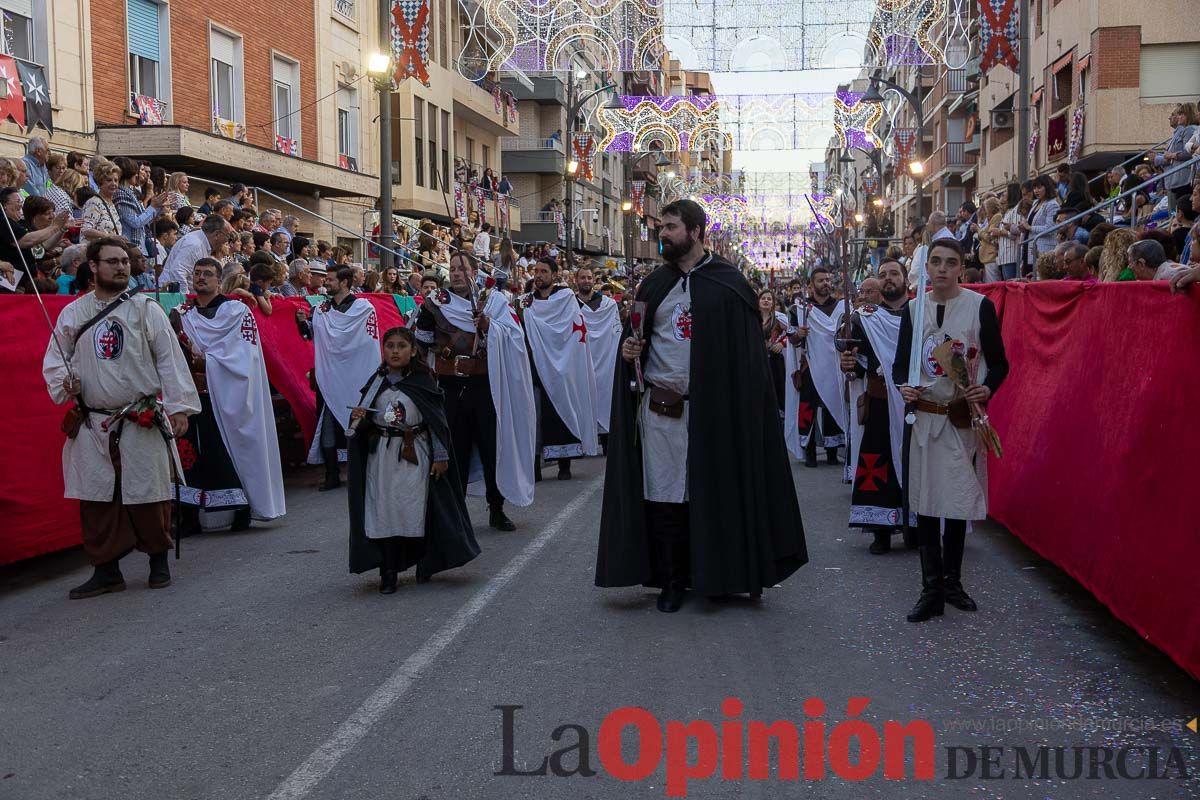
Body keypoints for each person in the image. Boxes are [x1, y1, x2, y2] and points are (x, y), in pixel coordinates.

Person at [596, 199, 808, 612]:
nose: (663, 234)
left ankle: (720, 575)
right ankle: (672, 580)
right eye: (662, 227)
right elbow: (634, 343)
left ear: (695, 231)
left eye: (671, 227)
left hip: (717, 412)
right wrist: (629, 352)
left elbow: (747, 361)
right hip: (662, 409)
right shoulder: (653, 286)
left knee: (715, 493)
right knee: (666, 495)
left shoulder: (729, 284)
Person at [42, 237, 201, 599]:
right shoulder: (74, 313)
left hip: (139, 415)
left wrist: (178, 407)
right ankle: (106, 570)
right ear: (93, 267)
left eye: (125, 262)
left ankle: (157, 562)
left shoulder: (146, 309)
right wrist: (64, 382)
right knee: (96, 498)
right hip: (93, 419)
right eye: (112, 262)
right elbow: (56, 358)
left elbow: (169, 358)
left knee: (149, 493)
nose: (121, 267)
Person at [894, 238, 1009, 623]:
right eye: (936, 262)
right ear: (927, 269)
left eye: (950, 262)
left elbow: (1000, 364)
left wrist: (987, 387)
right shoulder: (914, 309)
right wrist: (904, 387)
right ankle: (931, 589)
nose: (941, 269)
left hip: (960, 418)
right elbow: (900, 366)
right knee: (926, 502)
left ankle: (953, 581)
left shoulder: (980, 307)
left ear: (962, 267)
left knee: (957, 502)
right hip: (925, 417)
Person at [347, 327, 481, 593]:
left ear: (412, 351)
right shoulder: (375, 383)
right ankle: (388, 571)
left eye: (401, 346)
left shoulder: (423, 382)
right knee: (383, 510)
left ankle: (424, 561)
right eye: (390, 346)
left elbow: (437, 423)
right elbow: (359, 428)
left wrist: (441, 457)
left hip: (416, 455)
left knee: (414, 509)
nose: (395, 351)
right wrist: (358, 420)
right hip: (382, 458)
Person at [413, 250, 534, 530]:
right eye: (452, 268)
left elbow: (515, 336)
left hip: (485, 386)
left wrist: (489, 325)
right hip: (451, 387)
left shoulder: (494, 302)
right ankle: (456, 513)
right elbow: (421, 343)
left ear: (474, 271)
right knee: (457, 451)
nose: (456, 273)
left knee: (492, 447)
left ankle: (496, 507)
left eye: (462, 268)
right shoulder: (435, 303)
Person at [169, 258, 286, 535]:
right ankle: (190, 517)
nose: (201, 278)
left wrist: (206, 363)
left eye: (208, 274)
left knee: (227, 452)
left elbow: (245, 355)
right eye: (197, 273)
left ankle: (241, 510)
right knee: (190, 457)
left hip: (229, 392)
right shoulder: (182, 314)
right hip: (192, 395)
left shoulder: (236, 312)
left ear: (219, 280)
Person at [840, 260, 913, 554]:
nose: (888, 279)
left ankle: (916, 527)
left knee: (913, 466)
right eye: (882, 275)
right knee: (878, 464)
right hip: (881, 400)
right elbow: (849, 344)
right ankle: (880, 531)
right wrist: (846, 354)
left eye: (894, 273)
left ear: (905, 278)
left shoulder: (921, 314)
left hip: (913, 403)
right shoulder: (866, 318)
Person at [295, 266, 381, 491]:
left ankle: (363, 469)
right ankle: (331, 474)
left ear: (344, 282)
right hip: (330, 376)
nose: (326, 283)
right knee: (327, 425)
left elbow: (367, 342)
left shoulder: (364, 308)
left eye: (331, 280)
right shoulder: (322, 310)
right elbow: (310, 335)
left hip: (356, 374)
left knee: (360, 423)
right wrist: (303, 322)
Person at [519, 257, 599, 481]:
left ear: (554, 275)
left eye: (544, 271)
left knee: (562, 410)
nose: (539, 275)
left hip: (561, 366)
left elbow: (572, 331)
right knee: (533, 418)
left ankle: (565, 464)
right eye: (536, 271)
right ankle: (534, 465)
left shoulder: (566, 298)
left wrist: (563, 358)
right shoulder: (526, 302)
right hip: (535, 367)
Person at [787, 266, 847, 468]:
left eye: (828, 280)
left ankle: (832, 451)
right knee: (808, 408)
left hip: (834, 367)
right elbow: (792, 339)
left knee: (832, 406)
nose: (826, 284)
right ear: (811, 285)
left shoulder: (841, 307)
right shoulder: (800, 310)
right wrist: (799, 336)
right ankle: (810, 450)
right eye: (821, 280)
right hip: (810, 366)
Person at [160, 214, 234, 292]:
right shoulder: (195, 244)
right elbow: (177, 272)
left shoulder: (200, 242)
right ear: (217, 234)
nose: (227, 241)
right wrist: (185, 299)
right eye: (227, 236)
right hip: (171, 297)